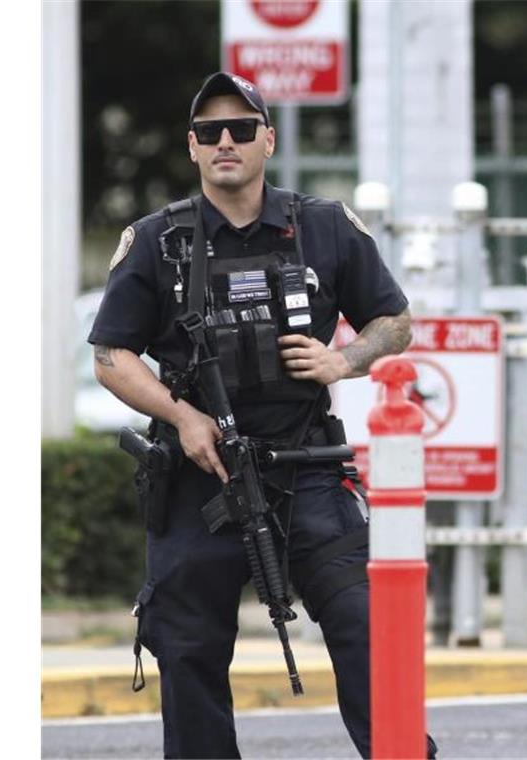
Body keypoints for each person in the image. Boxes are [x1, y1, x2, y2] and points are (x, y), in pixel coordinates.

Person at [89, 72, 437, 759]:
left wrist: (344, 360)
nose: (227, 141)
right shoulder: (158, 241)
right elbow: (109, 355)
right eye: (210, 132)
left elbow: (395, 323)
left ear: (268, 140)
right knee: (186, 650)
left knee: (370, 629)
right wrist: (182, 416)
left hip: (307, 466)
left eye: (242, 129)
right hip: (200, 475)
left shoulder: (326, 227)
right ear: (191, 148)